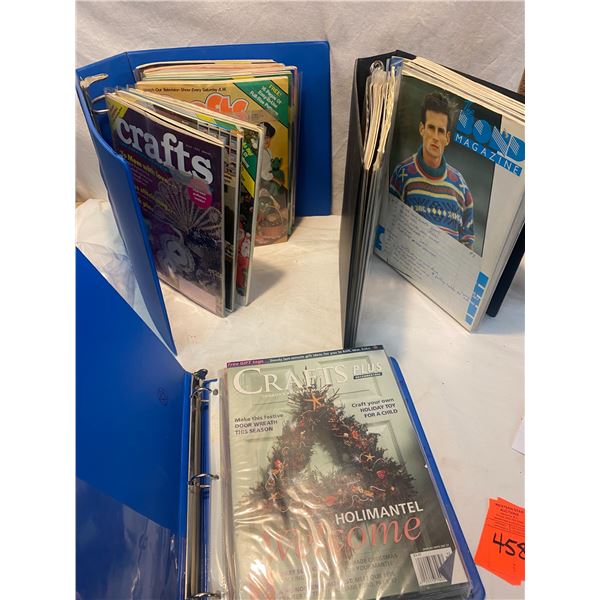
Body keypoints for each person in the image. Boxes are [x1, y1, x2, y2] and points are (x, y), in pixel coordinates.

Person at [389, 92, 474, 249]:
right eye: (431, 128)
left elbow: (467, 244)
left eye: (440, 131)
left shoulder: (461, 186)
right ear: (422, 129)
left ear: (447, 138)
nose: (435, 136)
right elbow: (389, 227)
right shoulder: (402, 174)